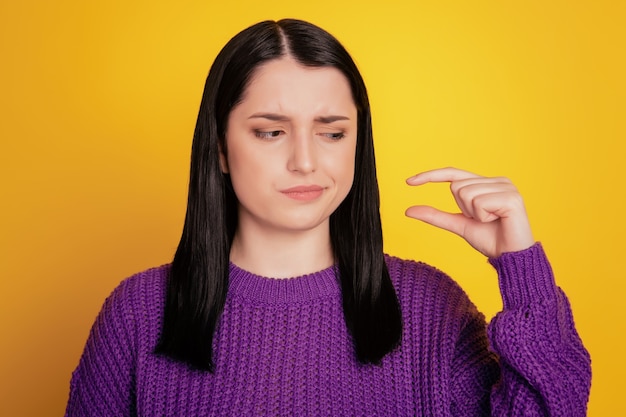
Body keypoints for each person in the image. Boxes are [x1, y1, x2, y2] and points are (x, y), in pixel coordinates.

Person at [64, 19, 591, 416]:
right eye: (270, 131)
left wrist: (522, 273)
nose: (306, 161)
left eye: (332, 132)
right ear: (220, 149)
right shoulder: (137, 315)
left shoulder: (431, 307)